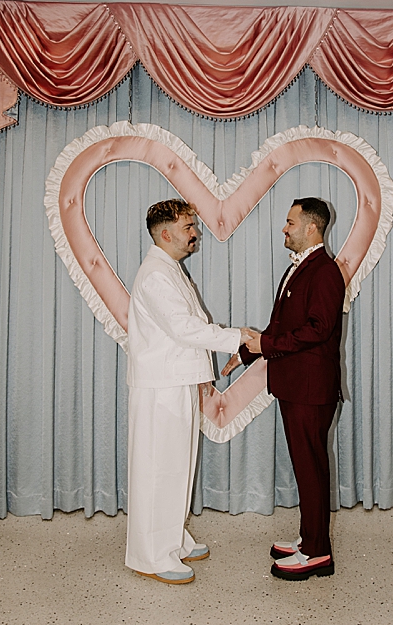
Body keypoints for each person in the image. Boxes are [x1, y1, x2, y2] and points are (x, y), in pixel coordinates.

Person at [124, 199, 244, 584]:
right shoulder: (156, 274)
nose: (195, 232)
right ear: (165, 233)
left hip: (175, 381)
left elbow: (188, 330)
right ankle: (151, 555)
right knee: (157, 469)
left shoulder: (170, 269)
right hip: (160, 387)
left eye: (193, 225)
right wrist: (240, 337)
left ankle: (173, 538)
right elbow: (185, 330)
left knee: (177, 466)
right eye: (189, 226)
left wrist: (201, 375)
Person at [237, 197, 345, 580]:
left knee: (311, 469)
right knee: (306, 468)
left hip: (311, 389)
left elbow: (318, 329)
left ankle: (317, 553)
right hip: (295, 386)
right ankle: (309, 538)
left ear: (311, 227)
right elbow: (283, 325)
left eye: (289, 222)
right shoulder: (299, 269)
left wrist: (263, 346)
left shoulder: (325, 272)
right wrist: (247, 352)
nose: (284, 229)